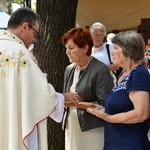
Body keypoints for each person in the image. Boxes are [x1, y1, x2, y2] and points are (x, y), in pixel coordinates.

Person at [0, 7, 81, 150]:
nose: (33, 40)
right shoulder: (20, 53)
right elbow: (38, 93)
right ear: (25, 26)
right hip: (14, 124)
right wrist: (61, 98)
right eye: (35, 33)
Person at [87, 31, 150, 150]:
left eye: (115, 48)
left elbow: (141, 113)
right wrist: (104, 110)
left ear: (128, 50)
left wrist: (109, 118)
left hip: (131, 144)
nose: (111, 52)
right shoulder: (124, 73)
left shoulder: (139, 73)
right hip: (115, 142)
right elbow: (124, 107)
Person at [61, 27, 114, 150]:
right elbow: (65, 99)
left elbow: (104, 103)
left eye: (71, 48)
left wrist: (75, 103)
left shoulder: (101, 69)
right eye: (66, 48)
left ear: (85, 48)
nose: (67, 52)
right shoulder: (69, 69)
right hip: (71, 126)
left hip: (93, 128)